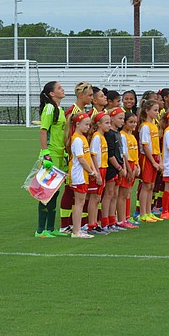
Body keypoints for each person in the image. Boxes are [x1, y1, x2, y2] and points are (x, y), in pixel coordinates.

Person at [58, 81, 93, 233]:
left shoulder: (82, 111)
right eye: (90, 95)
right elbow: (66, 133)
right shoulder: (73, 112)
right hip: (72, 155)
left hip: (80, 153)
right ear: (81, 95)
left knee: (78, 193)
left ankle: (78, 223)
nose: (91, 98)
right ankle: (65, 224)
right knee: (70, 190)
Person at [36, 81, 68, 238]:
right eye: (59, 88)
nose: (63, 90)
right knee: (46, 192)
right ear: (52, 94)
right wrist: (45, 153)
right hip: (52, 154)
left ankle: (50, 228)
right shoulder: (49, 108)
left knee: (55, 192)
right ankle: (41, 230)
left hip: (60, 154)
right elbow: (43, 131)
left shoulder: (59, 109)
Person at [68, 112, 97, 239]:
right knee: (79, 202)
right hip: (78, 174)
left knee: (81, 201)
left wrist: (92, 170)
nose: (87, 127)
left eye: (89, 125)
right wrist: (91, 172)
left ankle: (78, 229)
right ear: (77, 124)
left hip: (83, 174)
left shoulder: (83, 138)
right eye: (85, 125)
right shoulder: (77, 139)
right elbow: (81, 159)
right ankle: (76, 231)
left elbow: (88, 157)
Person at [101, 107, 127, 231]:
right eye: (120, 118)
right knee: (109, 194)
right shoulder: (109, 134)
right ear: (112, 118)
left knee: (115, 194)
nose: (122, 121)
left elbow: (120, 152)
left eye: (123, 118)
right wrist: (118, 167)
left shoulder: (117, 133)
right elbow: (110, 154)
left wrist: (122, 167)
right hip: (112, 167)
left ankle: (112, 221)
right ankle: (105, 222)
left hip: (118, 167)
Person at [137, 99, 163, 223]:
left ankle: (149, 211)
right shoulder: (145, 127)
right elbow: (145, 146)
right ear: (147, 111)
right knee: (146, 185)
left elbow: (156, 146)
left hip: (155, 157)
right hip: (147, 158)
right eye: (155, 110)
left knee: (151, 186)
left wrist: (160, 160)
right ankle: (143, 213)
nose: (157, 113)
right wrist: (153, 161)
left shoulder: (154, 125)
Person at [86, 111, 110, 235]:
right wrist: (97, 172)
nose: (109, 125)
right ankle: (92, 224)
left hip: (103, 168)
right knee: (94, 197)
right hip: (98, 169)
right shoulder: (96, 137)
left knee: (97, 198)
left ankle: (94, 223)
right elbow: (93, 155)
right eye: (106, 123)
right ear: (99, 124)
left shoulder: (101, 137)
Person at [117, 112, 140, 228]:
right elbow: (124, 154)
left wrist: (137, 165)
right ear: (124, 123)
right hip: (127, 165)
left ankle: (126, 217)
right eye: (130, 122)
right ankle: (122, 218)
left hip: (132, 165)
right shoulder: (122, 135)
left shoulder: (132, 136)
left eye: (135, 122)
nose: (133, 124)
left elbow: (135, 152)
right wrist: (129, 169)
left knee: (128, 192)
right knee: (123, 193)